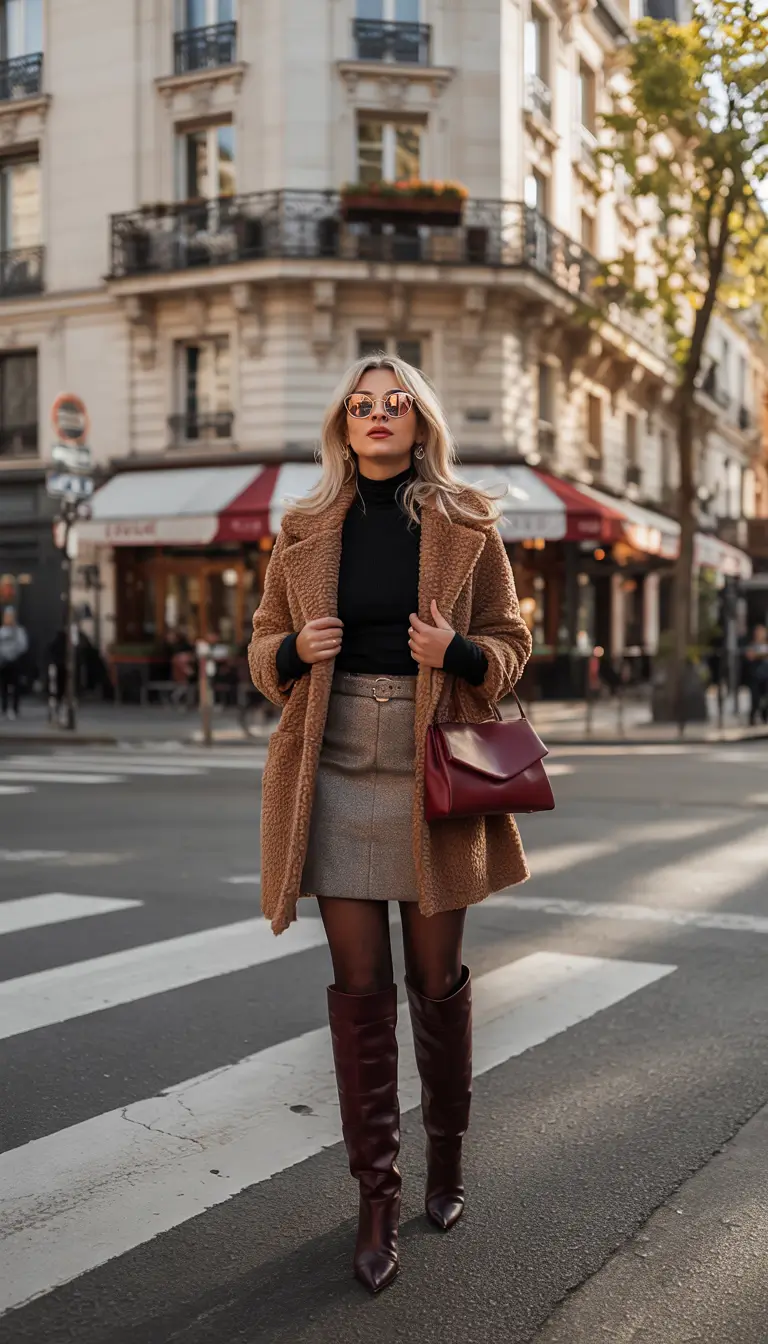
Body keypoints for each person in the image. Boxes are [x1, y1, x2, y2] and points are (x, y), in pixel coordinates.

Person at [248, 353, 532, 1294]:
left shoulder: (463, 522)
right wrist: (291, 647)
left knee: (436, 978)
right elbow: (258, 648)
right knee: (358, 985)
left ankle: (446, 1156)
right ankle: (377, 1193)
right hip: (330, 763)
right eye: (362, 405)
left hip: (432, 758)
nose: (377, 415)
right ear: (343, 423)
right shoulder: (302, 527)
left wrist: (460, 651)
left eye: (395, 403)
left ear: (419, 424)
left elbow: (512, 642)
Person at [0, 606, 29, 719]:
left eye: (10, 616)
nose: (8, 619)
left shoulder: (19, 631)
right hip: (3, 662)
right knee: (3, 687)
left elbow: (23, 645)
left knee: (16, 686)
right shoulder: (1, 631)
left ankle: (15, 709)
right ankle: (4, 708)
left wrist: (13, 653)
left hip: (15, 662)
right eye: (6, 616)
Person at [745, 622, 768, 725]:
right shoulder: (752, 645)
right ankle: (752, 718)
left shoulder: (766, 644)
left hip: (766, 676)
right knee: (755, 699)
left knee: (766, 698)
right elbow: (750, 656)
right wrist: (760, 654)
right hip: (755, 676)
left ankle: (765, 716)